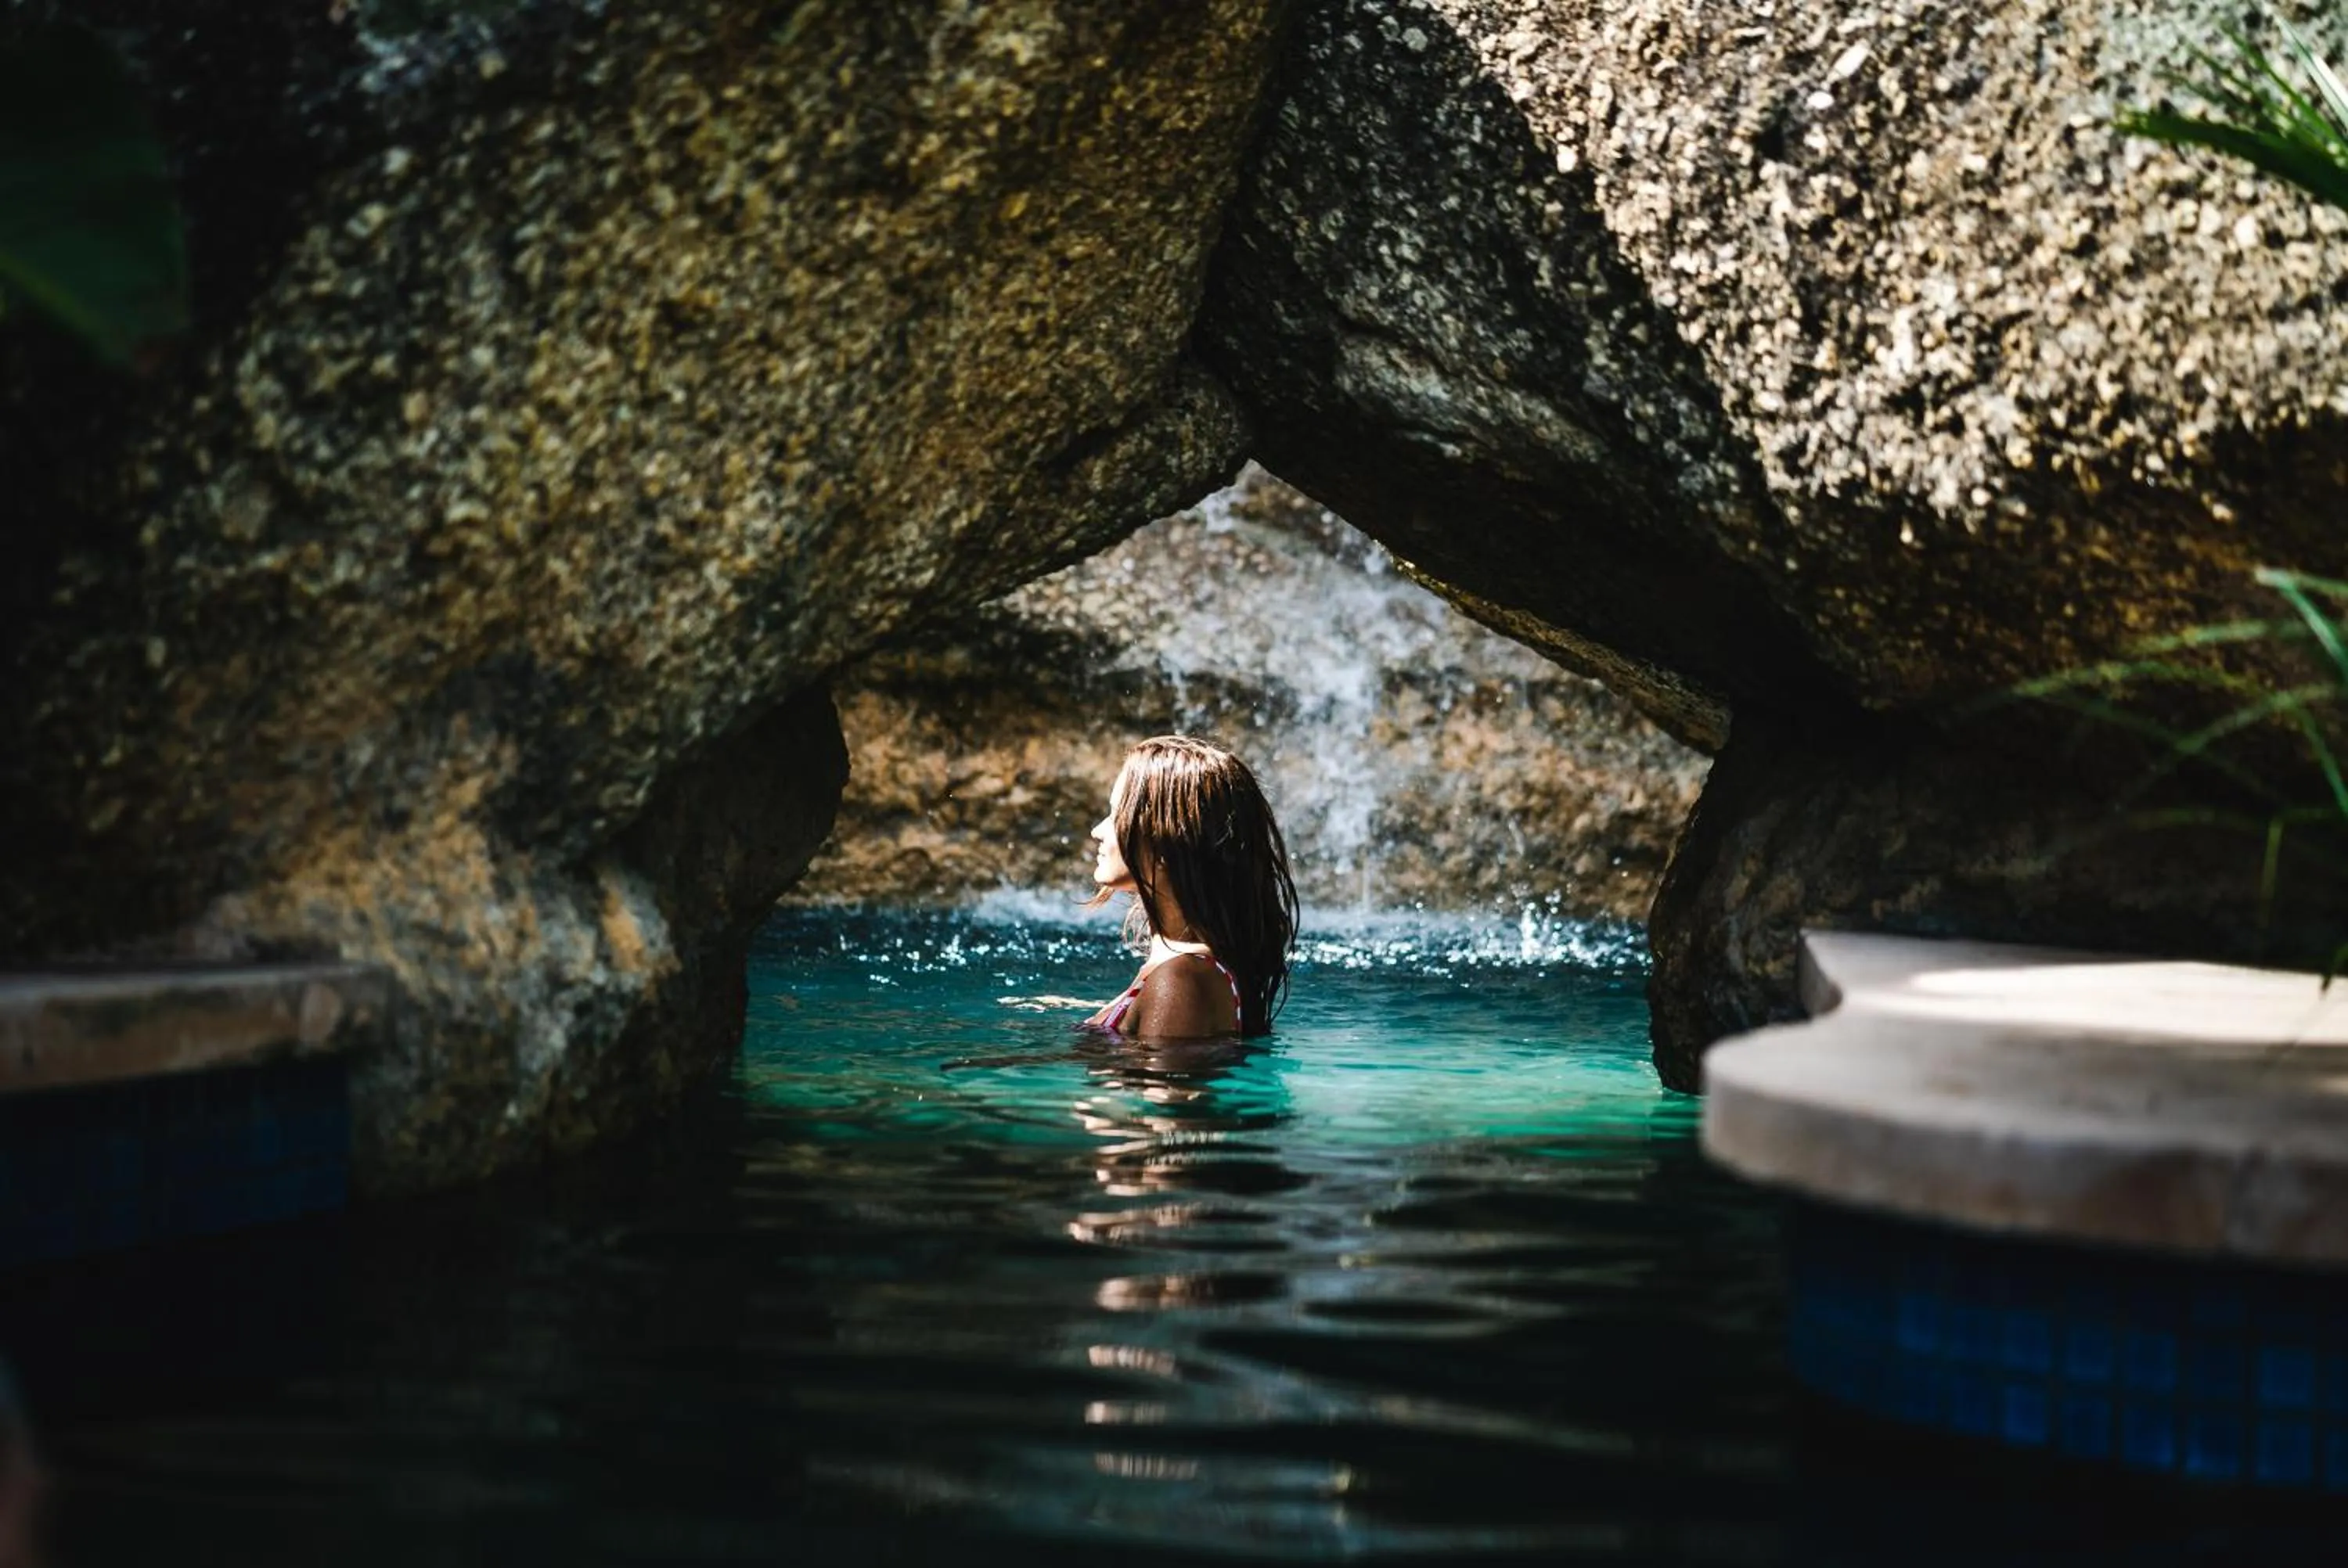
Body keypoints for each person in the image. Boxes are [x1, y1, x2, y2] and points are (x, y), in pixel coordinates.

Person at [1084, 735, 1298, 1039]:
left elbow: (1166, 1086)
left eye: (1117, 814)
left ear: (1165, 841)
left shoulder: (1180, 979)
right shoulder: (1184, 970)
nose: (1097, 831)